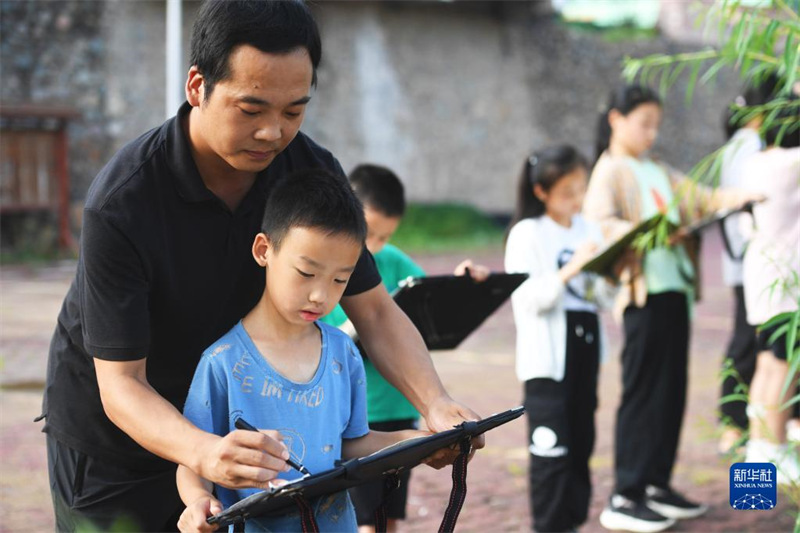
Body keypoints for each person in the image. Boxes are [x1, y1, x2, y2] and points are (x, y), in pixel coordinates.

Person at [40, 2, 480, 531]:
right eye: (252, 109)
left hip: (242, 437)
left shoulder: (310, 173)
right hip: (117, 451)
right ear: (198, 86)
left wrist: (436, 406)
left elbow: (376, 313)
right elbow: (122, 386)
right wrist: (203, 453)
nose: (274, 132)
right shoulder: (124, 202)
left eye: (294, 111)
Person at [176, 169, 430, 532]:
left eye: (340, 280)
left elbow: (353, 443)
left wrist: (419, 443)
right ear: (264, 250)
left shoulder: (343, 352)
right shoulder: (222, 362)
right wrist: (198, 502)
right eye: (306, 273)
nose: (320, 295)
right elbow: (192, 461)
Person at [584, 84, 761, 533]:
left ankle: (655, 485)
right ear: (616, 120)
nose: (651, 133)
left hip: (675, 292)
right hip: (643, 296)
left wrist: (743, 197)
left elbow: (700, 198)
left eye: (655, 125)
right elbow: (602, 226)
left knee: (671, 394)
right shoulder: (610, 171)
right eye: (644, 123)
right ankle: (626, 493)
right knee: (643, 395)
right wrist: (654, 231)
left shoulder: (656, 168)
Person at [319, 163, 488, 533]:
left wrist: (463, 285)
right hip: (357, 413)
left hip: (400, 407)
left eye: (385, 236)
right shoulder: (328, 267)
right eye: (370, 233)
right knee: (362, 519)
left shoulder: (393, 261)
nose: (374, 246)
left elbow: (431, 300)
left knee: (388, 513)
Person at [504, 145, 617, 533]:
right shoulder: (527, 233)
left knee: (582, 443)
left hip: (584, 345)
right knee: (551, 448)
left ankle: (572, 522)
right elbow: (530, 299)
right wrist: (572, 268)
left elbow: (602, 297)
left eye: (580, 189)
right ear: (541, 192)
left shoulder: (588, 228)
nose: (577, 200)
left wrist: (611, 272)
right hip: (548, 358)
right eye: (567, 191)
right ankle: (548, 525)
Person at [716, 77, 780, 455]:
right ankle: (759, 480)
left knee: (766, 371)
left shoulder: (760, 153)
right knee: (767, 364)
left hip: (763, 275)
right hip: (772, 281)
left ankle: (756, 486)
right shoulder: (773, 159)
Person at [740, 97, 800, 485]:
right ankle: (776, 452)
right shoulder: (791, 164)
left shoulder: (756, 161)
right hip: (785, 286)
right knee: (781, 367)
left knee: (765, 366)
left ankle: (755, 471)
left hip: (762, 282)